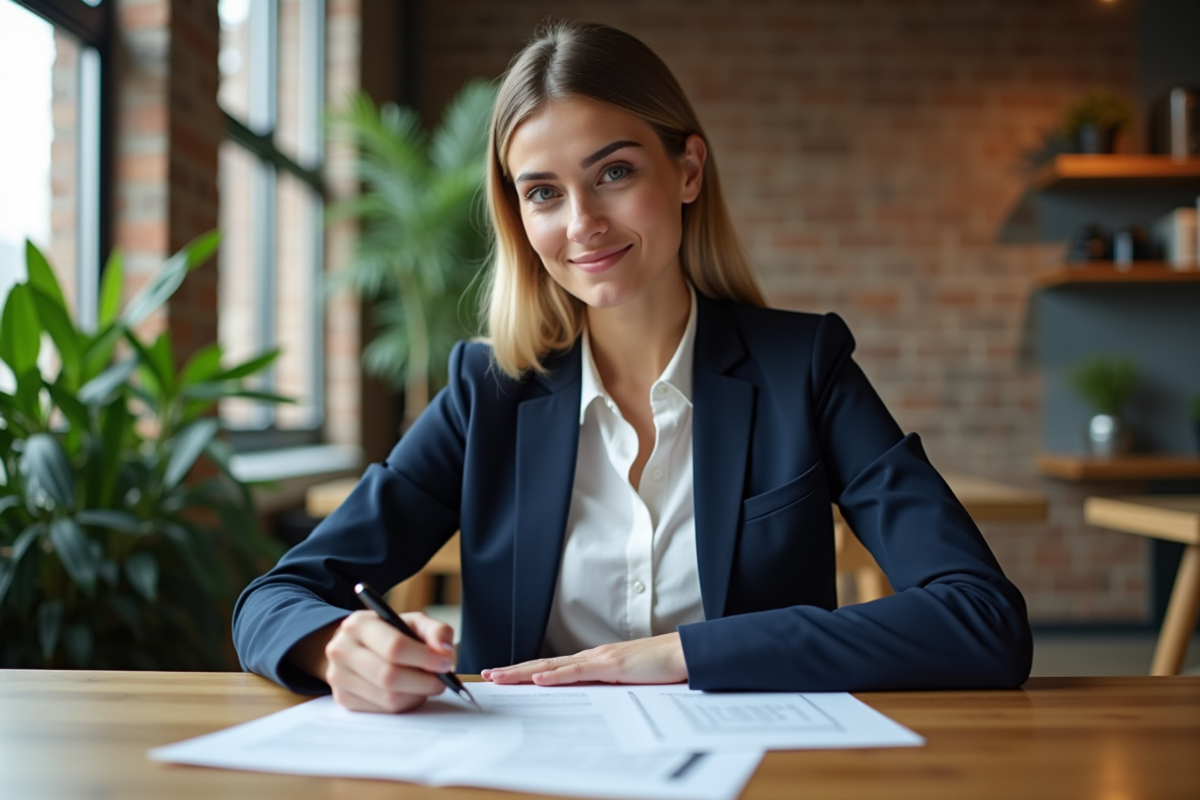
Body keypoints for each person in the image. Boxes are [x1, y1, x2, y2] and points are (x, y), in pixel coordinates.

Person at [233, 20, 1032, 714]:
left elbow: (980, 617)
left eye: (613, 172)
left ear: (686, 170)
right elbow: (272, 600)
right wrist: (336, 645)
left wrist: (681, 654)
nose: (582, 224)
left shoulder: (804, 367)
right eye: (543, 192)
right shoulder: (487, 392)